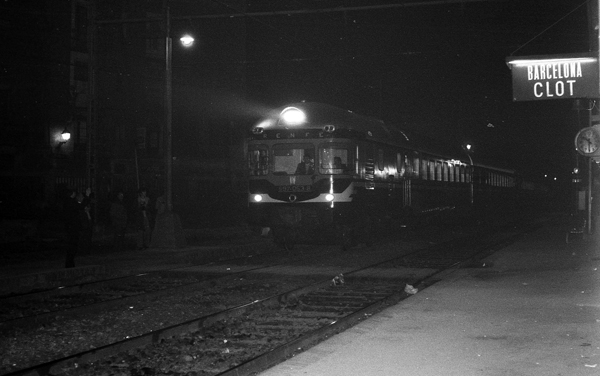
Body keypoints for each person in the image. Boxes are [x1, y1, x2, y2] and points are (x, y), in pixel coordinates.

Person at [63, 189, 80, 268]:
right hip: (73, 226)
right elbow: (80, 207)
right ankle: (70, 263)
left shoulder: (66, 202)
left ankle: (70, 263)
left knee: (71, 245)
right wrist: (87, 196)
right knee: (72, 246)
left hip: (69, 226)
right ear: (72, 194)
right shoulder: (72, 202)